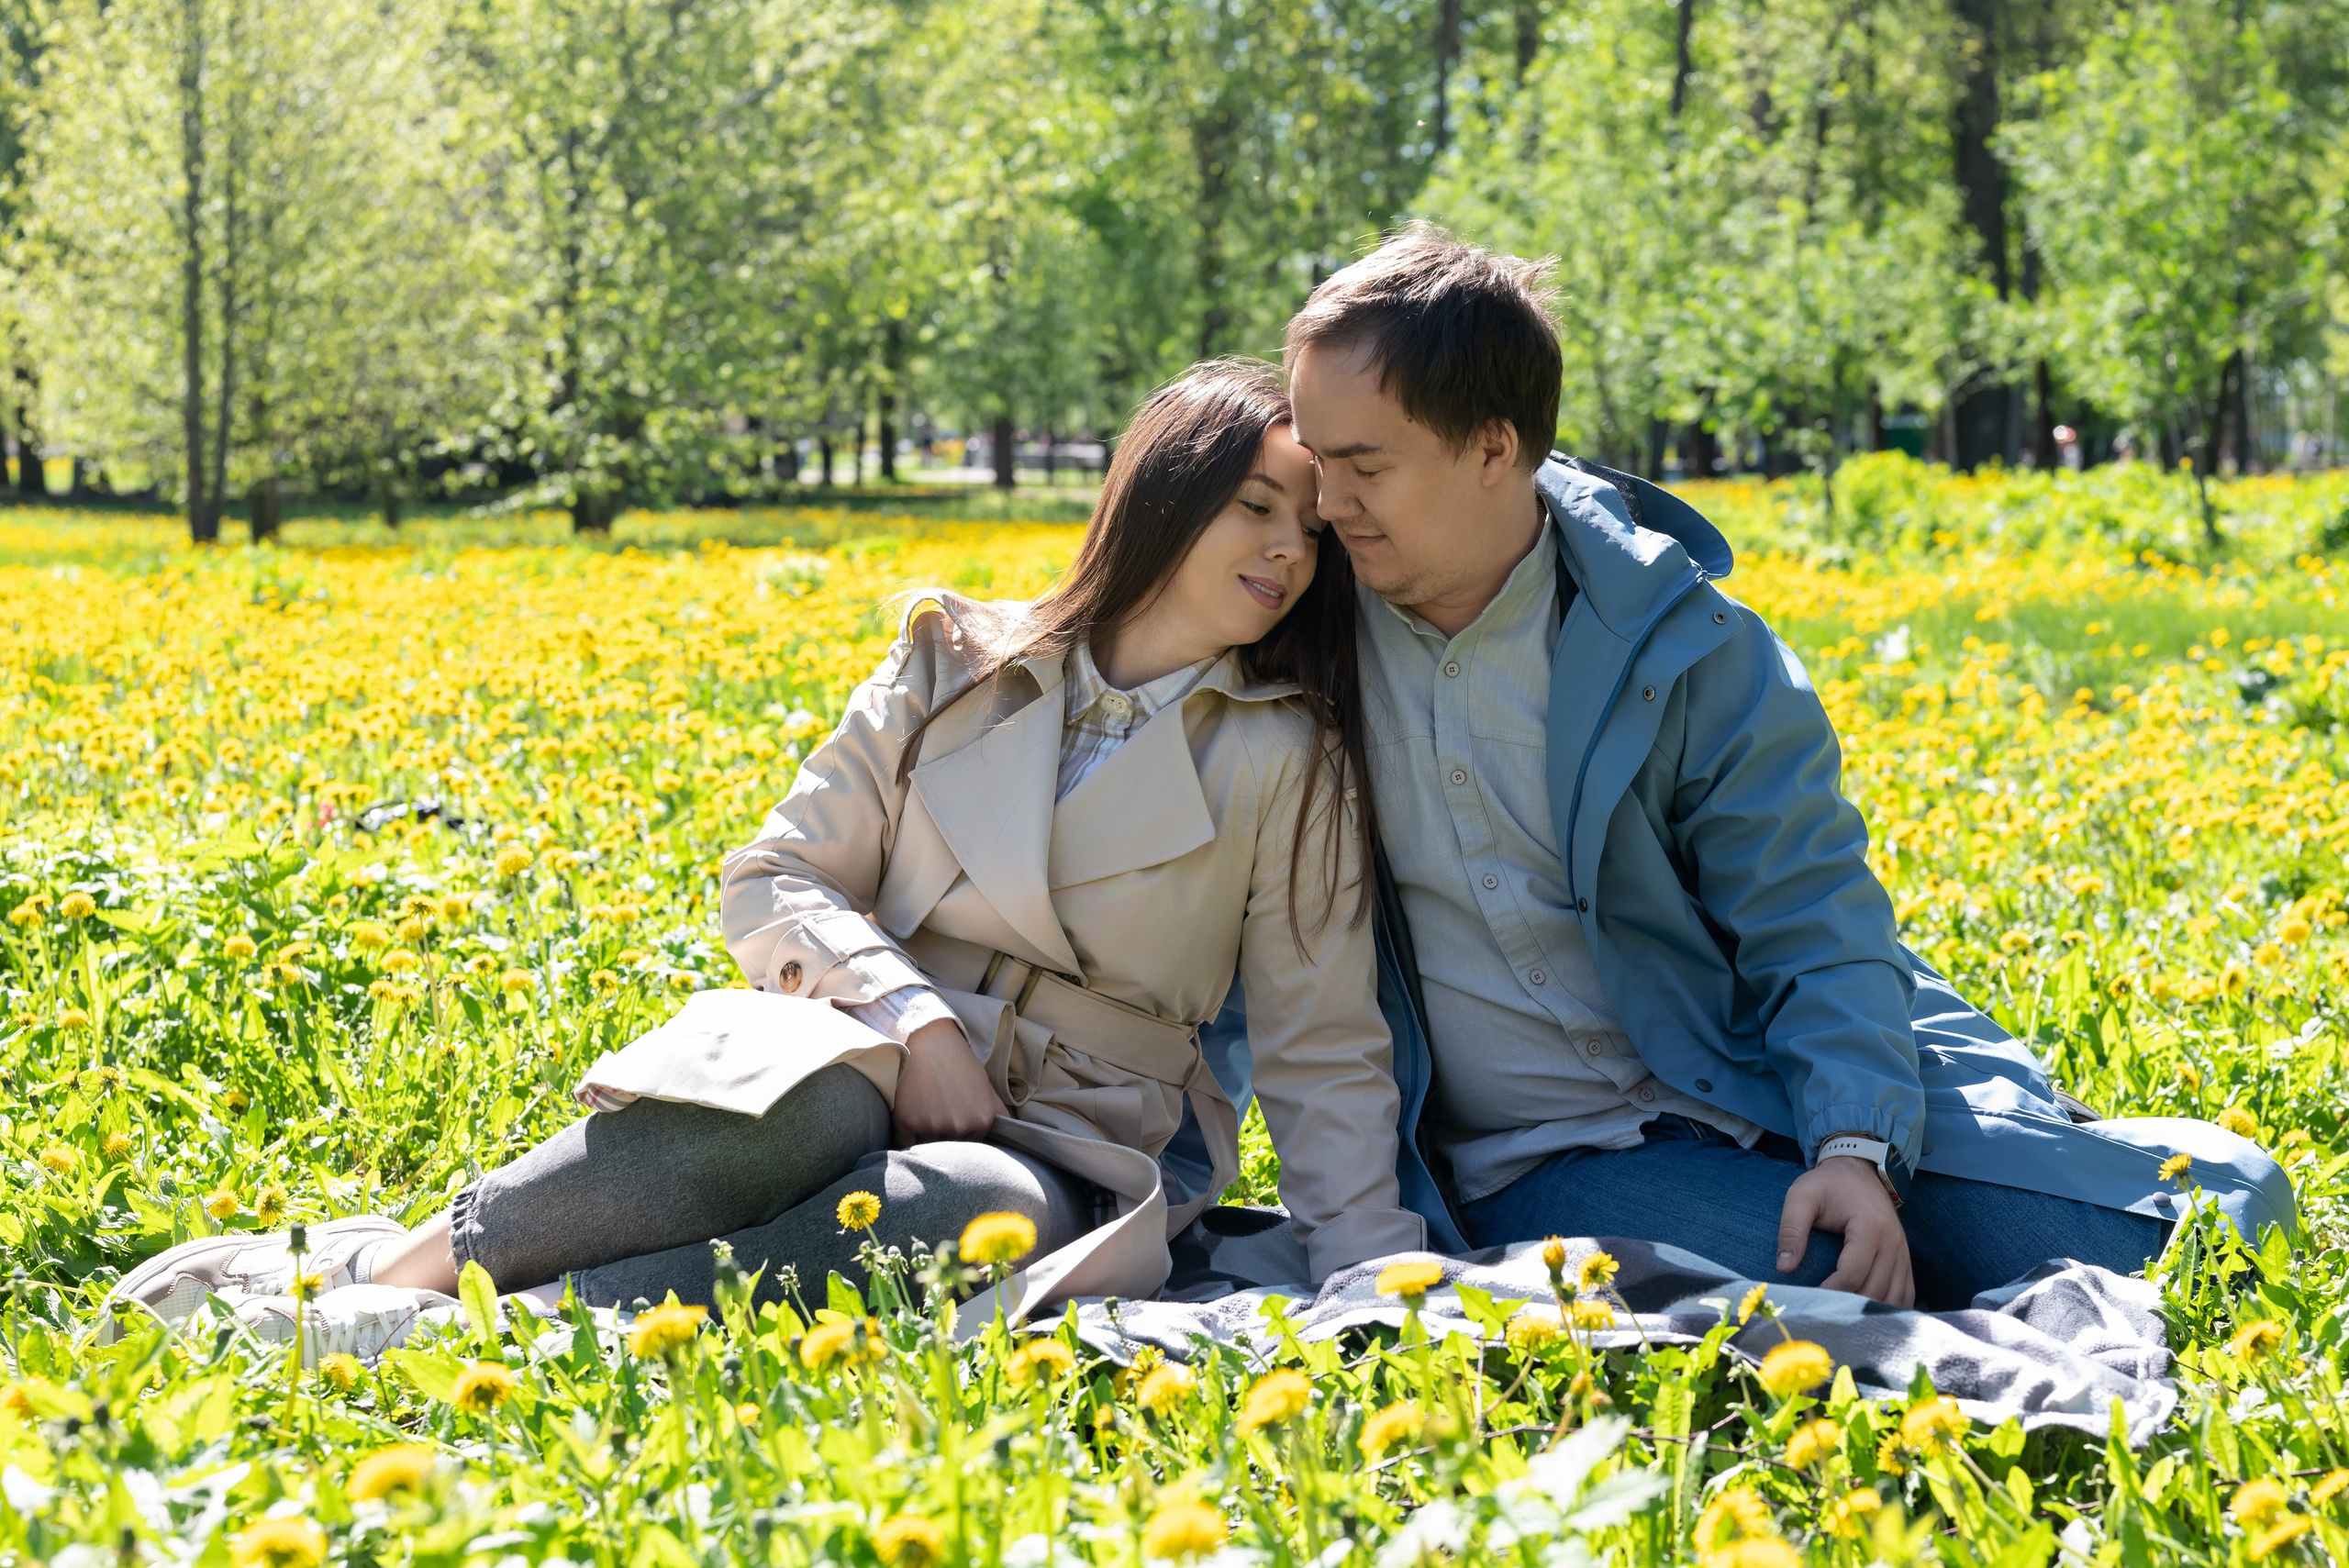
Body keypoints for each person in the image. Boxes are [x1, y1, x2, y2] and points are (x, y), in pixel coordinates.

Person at [99, 361, 1423, 1359]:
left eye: (1309, 531)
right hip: (864, 1035)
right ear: (1164, 490)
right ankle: (389, 1272)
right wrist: (911, 1015)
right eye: (1257, 506)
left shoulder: (1288, 758)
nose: (1287, 552)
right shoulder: (955, 661)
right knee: (784, 1114)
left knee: (962, 1207)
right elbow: (777, 876)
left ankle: (509, 1332)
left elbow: (1319, 1043)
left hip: (1080, 1125)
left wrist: (1369, 1275)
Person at [1267, 224, 2291, 1310]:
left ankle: (2013, 1144)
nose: (1327, 505)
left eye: (1363, 466)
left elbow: (1809, 909)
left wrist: (1852, 1147)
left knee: (2200, 1236)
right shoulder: (1299, 635)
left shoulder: (1684, 641)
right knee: (1814, 1295)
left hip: (1765, 1083)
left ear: (1490, 447)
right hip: (1550, 1153)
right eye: (1316, 460)